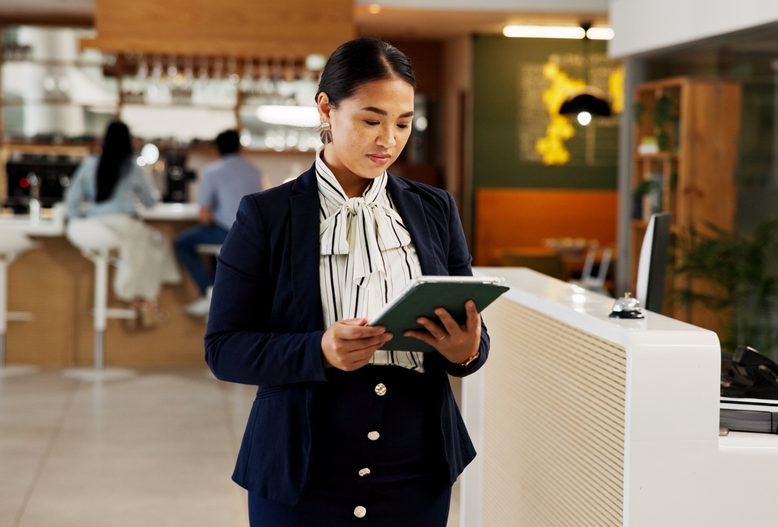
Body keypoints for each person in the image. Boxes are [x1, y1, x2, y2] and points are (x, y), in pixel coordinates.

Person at [205, 38, 489, 526]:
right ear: (326, 108)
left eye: (403, 124)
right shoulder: (266, 216)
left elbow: (473, 340)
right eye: (371, 120)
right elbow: (224, 348)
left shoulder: (435, 209)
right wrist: (318, 349)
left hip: (416, 468)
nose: (388, 141)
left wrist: (466, 349)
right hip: (301, 465)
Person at [64, 120, 181, 325]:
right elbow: (151, 201)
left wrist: (78, 221)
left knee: (142, 246)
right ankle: (143, 298)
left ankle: (140, 299)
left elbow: (71, 200)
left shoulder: (90, 164)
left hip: (93, 228)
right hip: (124, 225)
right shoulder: (134, 167)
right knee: (157, 242)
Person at [176, 129, 265, 317]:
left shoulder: (212, 171)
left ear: (216, 150)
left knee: (183, 243)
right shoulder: (256, 170)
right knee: (217, 250)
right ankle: (218, 295)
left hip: (227, 233)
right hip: (255, 236)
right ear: (241, 149)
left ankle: (209, 292)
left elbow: (204, 216)